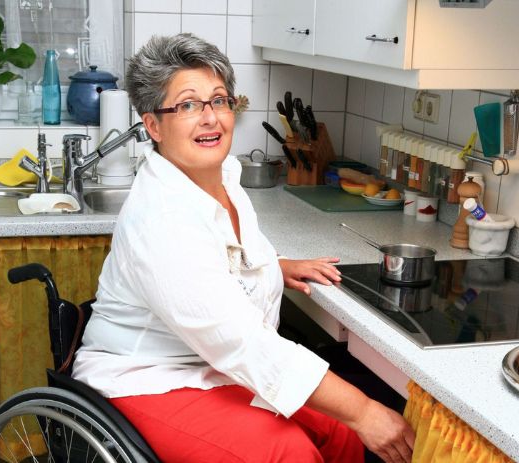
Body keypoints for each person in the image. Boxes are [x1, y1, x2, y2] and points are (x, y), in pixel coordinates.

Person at [72, 33, 415, 463]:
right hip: (146, 378)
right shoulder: (161, 219)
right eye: (188, 105)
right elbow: (240, 341)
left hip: (210, 365)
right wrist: (366, 412)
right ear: (154, 125)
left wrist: (272, 266)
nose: (210, 118)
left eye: (219, 100)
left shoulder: (223, 179)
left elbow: (219, 258)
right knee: (288, 452)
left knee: (341, 434)